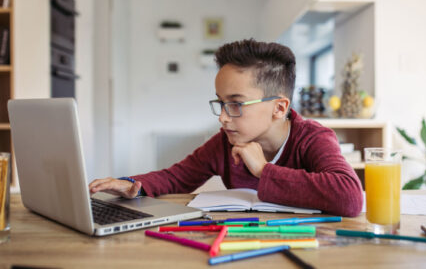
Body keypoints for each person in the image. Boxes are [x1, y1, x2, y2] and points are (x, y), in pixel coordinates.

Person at [89, 39, 363, 217]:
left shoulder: (312, 138)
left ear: (279, 108)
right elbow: (177, 177)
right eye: (220, 103)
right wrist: (130, 184)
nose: (222, 117)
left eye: (235, 104)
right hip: (239, 241)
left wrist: (263, 170)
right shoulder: (225, 142)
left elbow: (350, 197)